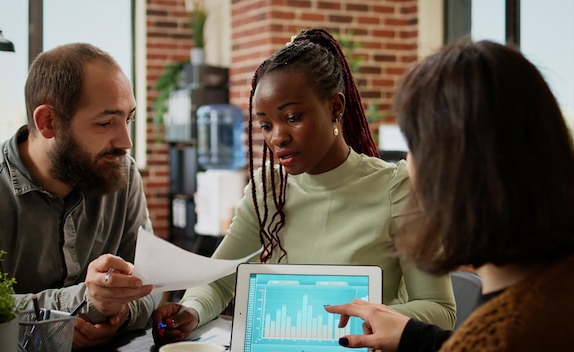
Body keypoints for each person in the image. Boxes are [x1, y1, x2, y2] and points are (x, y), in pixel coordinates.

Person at [151, 28, 456, 346]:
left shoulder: (397, 188)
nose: (277, 137)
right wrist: (191, 309)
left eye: (293, 117)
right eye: (266, 125)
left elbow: (440, 310)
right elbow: (217, 281)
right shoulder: (268, 189)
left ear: (335, 108)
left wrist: (364, 319)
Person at [324, 39, 574, 351]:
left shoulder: (500, 337)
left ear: (448, 173)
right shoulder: (554, 291)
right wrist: (414, 337)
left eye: (413, 145)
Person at [0, 43, 160, 349]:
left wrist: (121, 313)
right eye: (105, 123)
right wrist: (76, 309)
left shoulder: (121, 176)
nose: (125, 142)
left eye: (128, 119)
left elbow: (152, 284)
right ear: (48, 122)